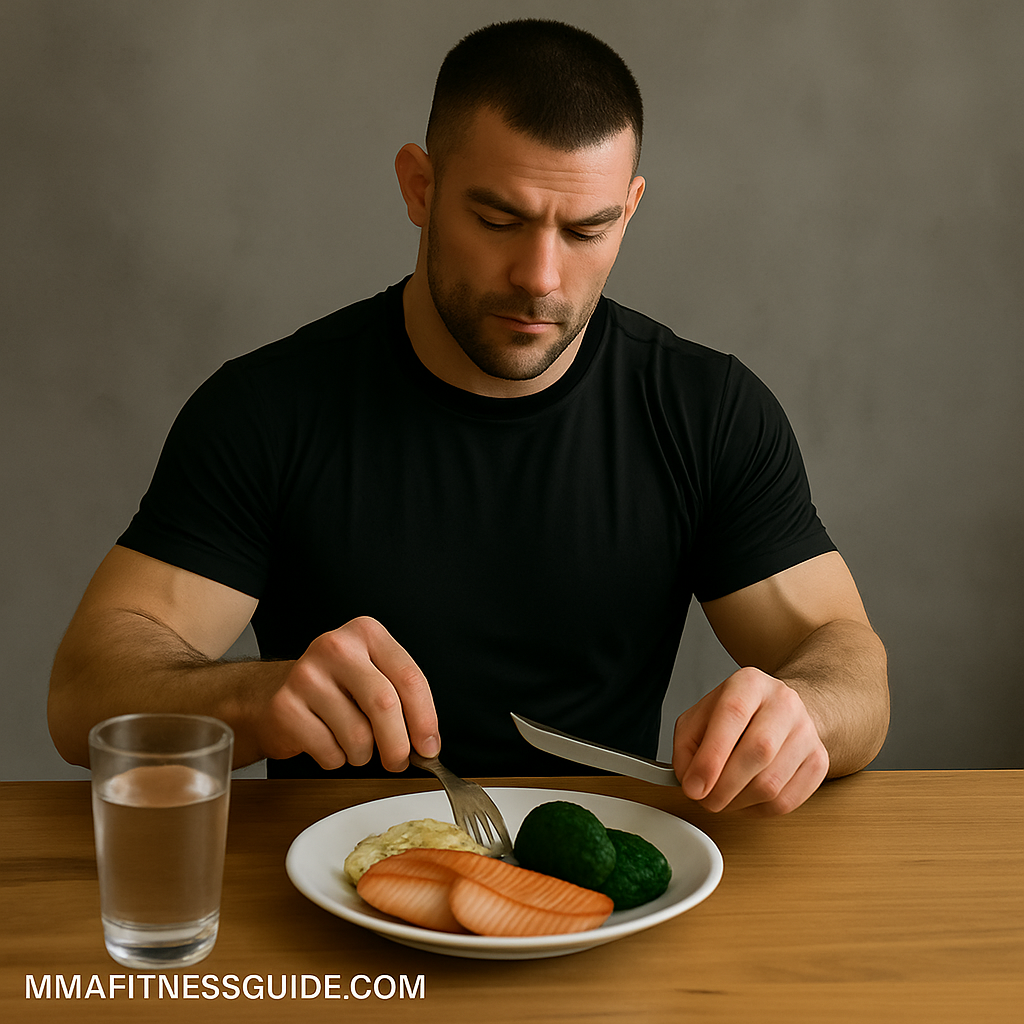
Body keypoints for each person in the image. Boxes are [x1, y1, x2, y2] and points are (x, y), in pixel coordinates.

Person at [48, 19, 888, 815]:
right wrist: (253, 698)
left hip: (607, 879)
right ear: (420, 187)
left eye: (587, 230)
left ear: (629, 209)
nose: (540, 277)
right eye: (498, 220)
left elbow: (847, 663)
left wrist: (804, 712)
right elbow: (83, 694)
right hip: (324, 886)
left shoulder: (706, 412)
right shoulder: (268, 409)